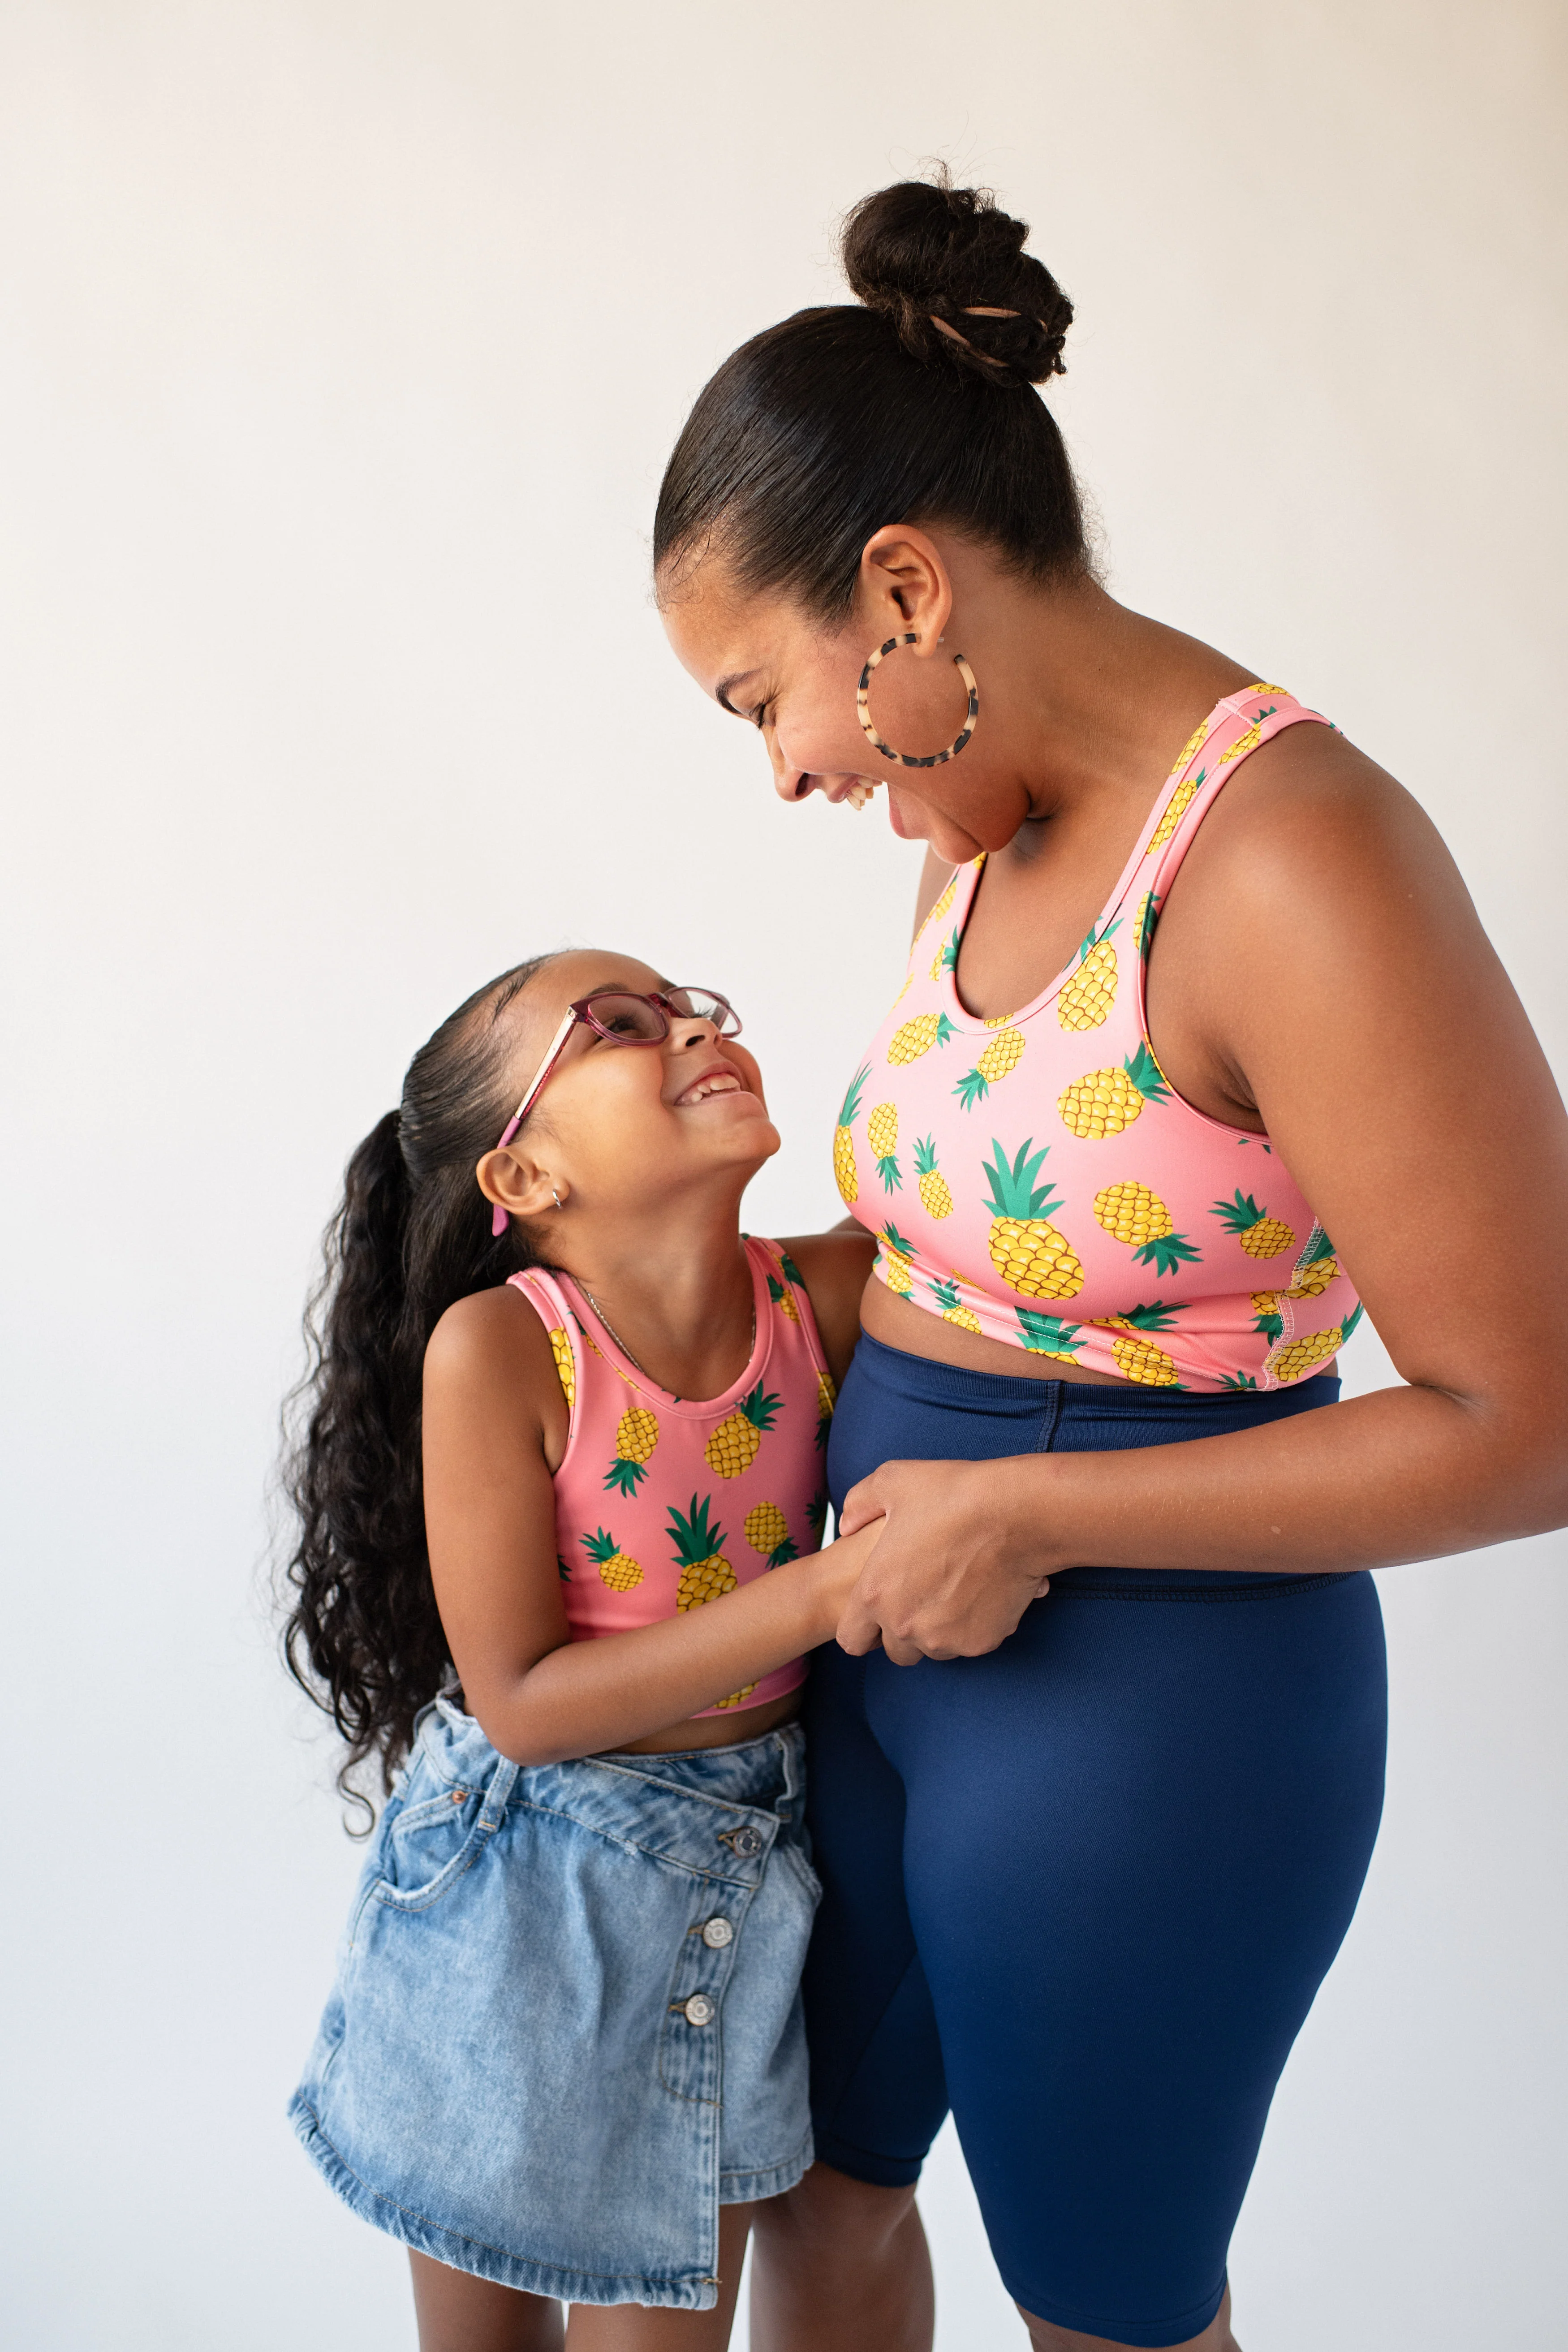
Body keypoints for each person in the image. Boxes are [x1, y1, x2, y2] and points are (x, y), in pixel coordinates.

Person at [654, 173, 1568, 2352]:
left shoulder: (1293, 862)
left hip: (1147, 1716)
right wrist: (604, 1323)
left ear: (897, 592)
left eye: (756, 697)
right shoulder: (979, 820)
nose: (780, 770)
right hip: (873, 1649)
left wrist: (1035, 1508)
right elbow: (957, 1243)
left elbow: (1527, 1421)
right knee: (817, 2200)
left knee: (1100, 2311)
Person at [283, 949, 877, 2350]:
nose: (689, 1030)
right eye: (618, 1027)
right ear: (524, 1179)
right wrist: (826, 1592)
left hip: (737, 1886)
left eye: (693, 1008)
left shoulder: (825, 1300)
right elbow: (527, 1706)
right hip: (514, 1884)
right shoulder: (500, 1350)